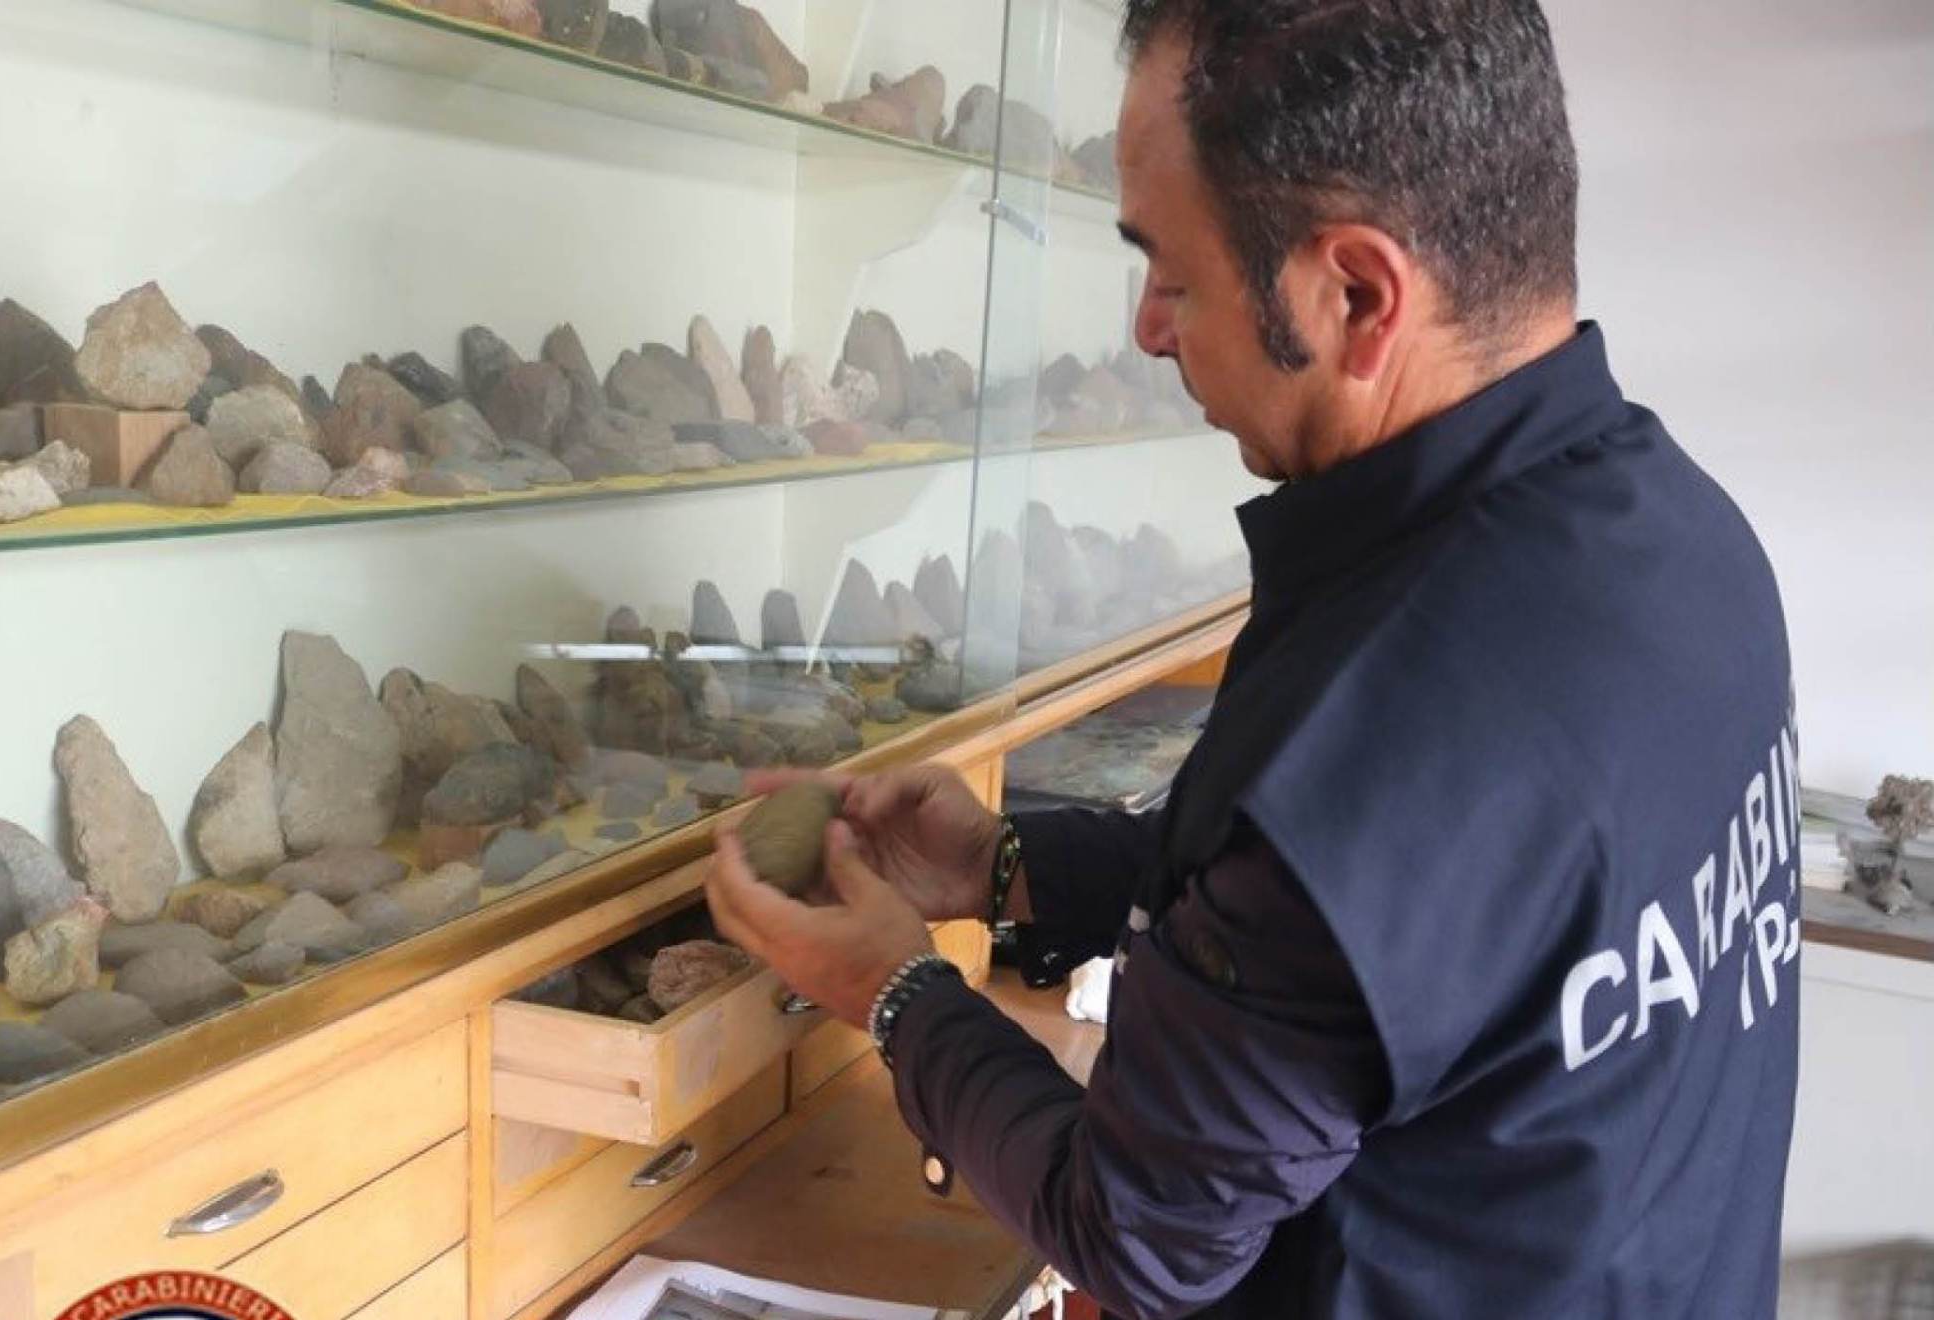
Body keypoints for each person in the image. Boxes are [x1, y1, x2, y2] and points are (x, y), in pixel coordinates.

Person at [706, 2, 1802, 1316]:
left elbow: (1142, 1234)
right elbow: (1401, 930)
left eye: (1173, 274)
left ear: (1357, 293)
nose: (1149, 332)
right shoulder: (1683, 533)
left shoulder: (1401, 726)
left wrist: (891, 996)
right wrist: (1008, 866)